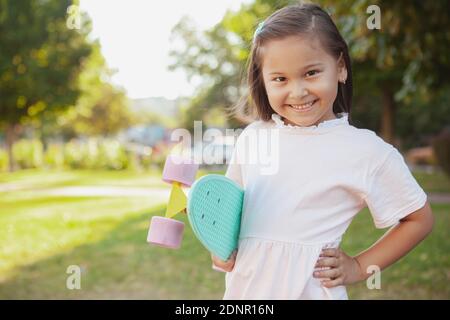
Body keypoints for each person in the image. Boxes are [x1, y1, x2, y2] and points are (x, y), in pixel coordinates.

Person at [211, 2, 434, 299]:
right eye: (280, 79)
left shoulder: (366, 151)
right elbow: (230, 213)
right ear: (263, 82)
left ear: (340, 68)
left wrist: (359, 266)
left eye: (312, 73)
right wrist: (222, 250)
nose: (298, 91)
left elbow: (419, 219)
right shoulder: (254, 137)